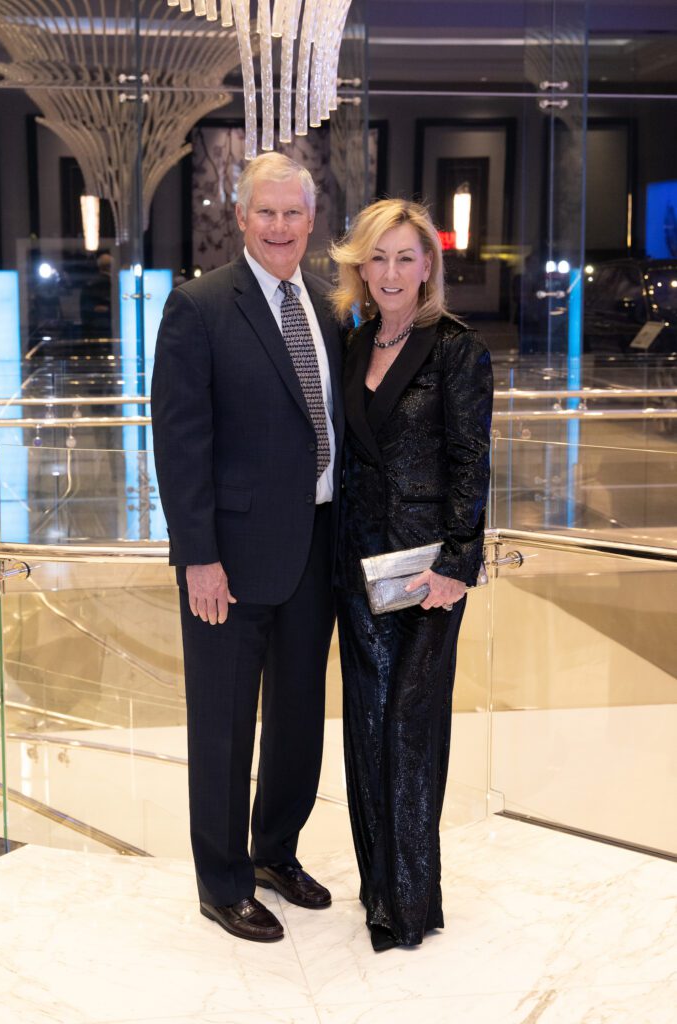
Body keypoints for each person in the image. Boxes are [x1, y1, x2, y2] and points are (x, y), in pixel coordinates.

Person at [151, 152, 344, 943]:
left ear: (311, 220)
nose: (278, 227)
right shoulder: (198, 307)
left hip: (317, 546)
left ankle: (275, 853)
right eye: (264, 213)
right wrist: (198, 554)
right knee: (225, 724)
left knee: (299, 717)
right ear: (239, 218)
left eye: (292, 213)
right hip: (227, 561)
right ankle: (222, 881)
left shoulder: (330, 306)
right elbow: (179, 440)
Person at [330, 199, 493, 952]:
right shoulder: (354, 341)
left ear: (427, 265)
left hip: (426, 573)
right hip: (357, 567)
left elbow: (469, 460)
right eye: (378, 257)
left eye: (405, 257)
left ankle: (411, 898)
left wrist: (459, 563)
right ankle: (379, 896)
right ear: (360, 266)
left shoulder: (455, 349)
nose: (391, 272)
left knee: (409, 728)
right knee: (366, 727)